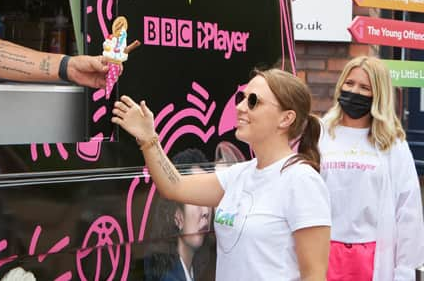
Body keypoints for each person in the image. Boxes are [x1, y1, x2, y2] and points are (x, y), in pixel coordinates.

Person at [112, 68, 331, 280]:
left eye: (253, 101)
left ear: (286, 119)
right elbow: (174, 186)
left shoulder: (302, 181)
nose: (241, 107)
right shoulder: (238, 174)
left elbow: (313, 275)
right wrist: (148, 138)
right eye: (242, 98)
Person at [319, 56, 424, 280]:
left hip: (373, 258)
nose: (354, 91)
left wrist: (405, 272)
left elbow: (408, 213)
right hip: (322, 250)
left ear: (378, 95)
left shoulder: (393, 144)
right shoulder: (320, 133)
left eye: (364, 87)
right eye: (349, 83)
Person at [144, 148, 213, 281]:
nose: (205, 211)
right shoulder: (166, 277)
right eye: (197, 198)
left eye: (208, 197)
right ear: (177, 216)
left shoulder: (196, 269)